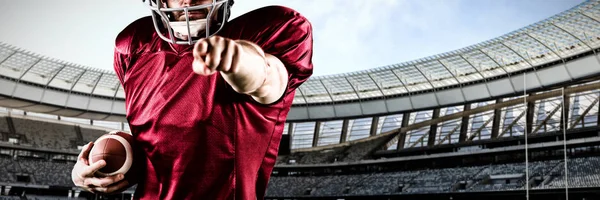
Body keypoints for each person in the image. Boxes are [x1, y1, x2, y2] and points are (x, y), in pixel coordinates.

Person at [70, 0, 313, 199]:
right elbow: (166, 141)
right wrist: (91, 170)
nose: (188, 0)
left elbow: (270, 81)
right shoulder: (134, 46)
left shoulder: (269, 30)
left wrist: (241, 61)